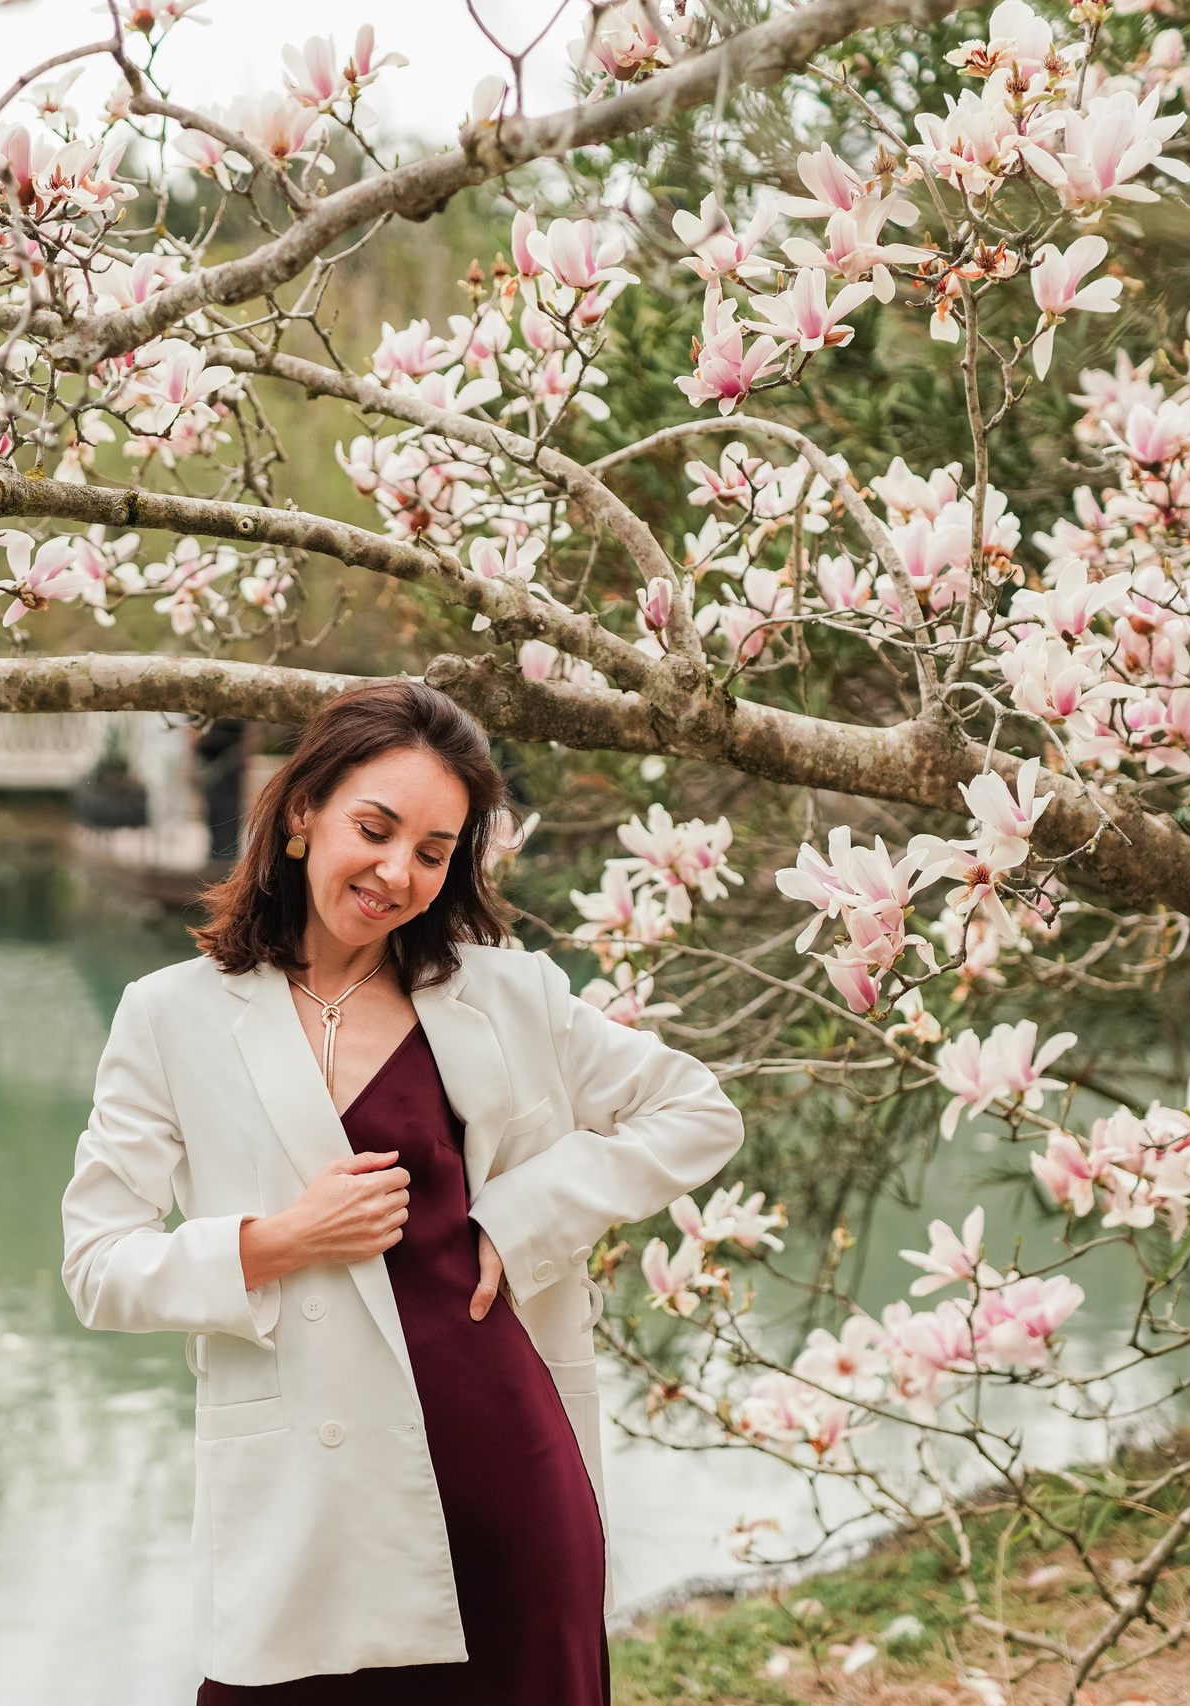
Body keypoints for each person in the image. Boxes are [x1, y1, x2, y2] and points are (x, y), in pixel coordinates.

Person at [59, 679, 743, 1699]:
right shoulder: (169, 1017)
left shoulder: (506, 992)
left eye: (433, 851)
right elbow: (97, 1265)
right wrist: (279, 1239)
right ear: (304, 811)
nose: (397, 873)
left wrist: (522, 1217)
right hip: (307, 1506)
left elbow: (697, 1111)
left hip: (506, 1469)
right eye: (374, 830)